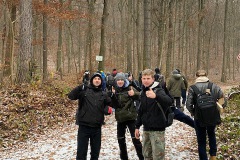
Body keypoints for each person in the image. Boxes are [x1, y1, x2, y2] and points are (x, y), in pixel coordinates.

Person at [68, 72, 113, 160]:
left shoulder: (104, 94)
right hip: (84, 127)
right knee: (81, 153)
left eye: (99, 79)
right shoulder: (84, 91)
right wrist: (79, 87)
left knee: (95, 153)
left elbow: (113, 105)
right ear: (92, 80)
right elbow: (71, 96)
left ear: (101, 81)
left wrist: (112, 98)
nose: (97, 80)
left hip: (97, 127)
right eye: (95, 79)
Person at [186, 70, 226, 160]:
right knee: (211, 134)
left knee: (201, 140)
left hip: (198, 117)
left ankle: (203, 158)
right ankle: (213, 156)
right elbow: (223, 101)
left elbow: (188, 104)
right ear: (206, 76)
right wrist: (216, 110)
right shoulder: (214, 86)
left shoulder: (193, 88)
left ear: (196, 76)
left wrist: (194, 112)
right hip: (212, 116)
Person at [135, 69, 173, 160]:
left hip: (158, 130)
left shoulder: (159, 90)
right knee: (147, 155)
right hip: (146, 129)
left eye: (148, 78)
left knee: (158, 156)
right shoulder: (143, 92)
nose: (146, 80)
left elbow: (169, 101)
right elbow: (141, 111)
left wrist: (156, 96)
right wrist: (137, 126)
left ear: (153, 79)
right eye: (144, 78)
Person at [109, 72, 144, 160]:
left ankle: (142, 157)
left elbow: (141, 96)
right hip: (120, 119)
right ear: (116, 81)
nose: (120, 81)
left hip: (131, 118)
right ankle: (124, 158)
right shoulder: (114, 90)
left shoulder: (130, 88)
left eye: (122, 80)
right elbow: (113, 105)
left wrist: (134, 94)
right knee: (121, 140)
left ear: (124, 81)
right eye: (118, 80)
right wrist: (112, 96)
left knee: (136, 140)